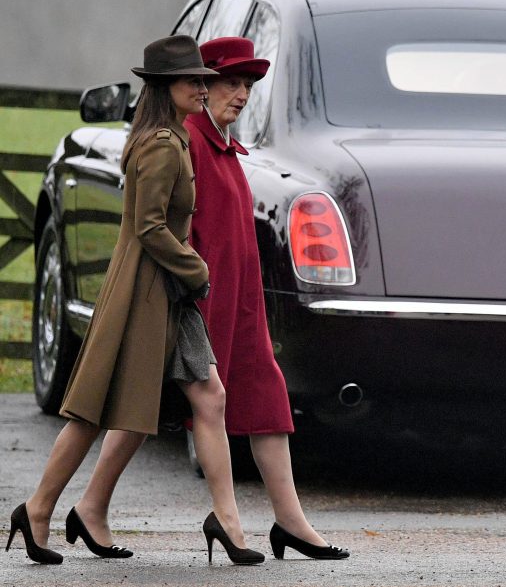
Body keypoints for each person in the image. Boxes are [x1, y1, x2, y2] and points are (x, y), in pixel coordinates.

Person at [5, 35, 264, 565]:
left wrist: (190, 275)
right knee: (93, 412)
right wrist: (198, 269)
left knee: (209, 396)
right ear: (168, 87)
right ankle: (37, 510)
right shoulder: (162, 144)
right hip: (145, 293)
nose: (204, 86)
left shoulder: (169, 137)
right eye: (194, 80)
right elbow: (148, 227)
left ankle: (226, 522)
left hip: (168, 292)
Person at [184, 36, 348, 561]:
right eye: (230, 82)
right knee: (142, 408)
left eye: (248, 84)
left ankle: (290, 521)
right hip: (203, 303)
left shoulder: (228, 147)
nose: (241, 94)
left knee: (266, 400)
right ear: (201, 86)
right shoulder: (187, 141)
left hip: (243, 303)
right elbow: (179, 230)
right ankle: (77, 506)